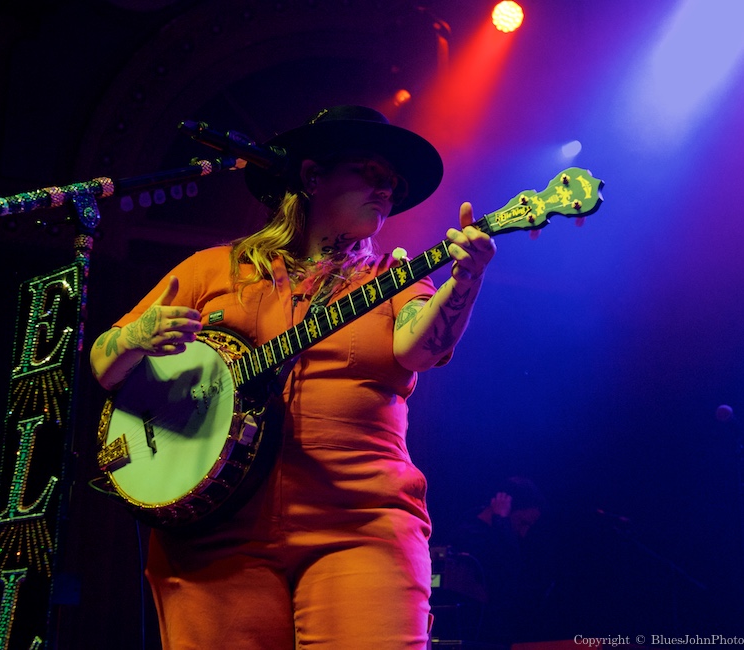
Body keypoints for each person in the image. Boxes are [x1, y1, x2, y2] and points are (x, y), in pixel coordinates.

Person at [89, 105, 496, 649]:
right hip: (215, 534)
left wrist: (465, 277)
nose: (387, 190)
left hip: (361, 523)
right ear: (310, 176)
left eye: (393, 183)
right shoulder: (214, 269)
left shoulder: (393, 277)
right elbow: (102, 363)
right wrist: (137, 340)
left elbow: (422, 347)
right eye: (370, 173)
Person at [445, 477, 556, 647]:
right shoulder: (469, 534)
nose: (523, 533)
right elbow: (506, 575)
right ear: (505, 509)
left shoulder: (505, 536)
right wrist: (501, 522)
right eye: (522, 523)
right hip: (478, 637)